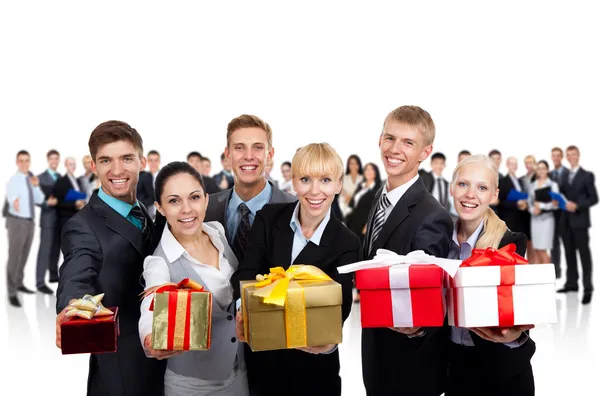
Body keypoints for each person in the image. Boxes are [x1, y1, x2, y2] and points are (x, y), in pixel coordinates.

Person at [231, 143, 361, 396]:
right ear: (293, 181)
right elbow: (247, 270)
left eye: (325, 180)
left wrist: (326, 344)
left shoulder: (347, 242)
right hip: (263, 367)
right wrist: (241, 310)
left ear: (338, 184)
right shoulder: (268, 218)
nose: (315, 191)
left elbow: (341, 305)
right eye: (305, 179)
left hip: (313, 374)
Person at [55, 120, 166, 396]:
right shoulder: (82, 225)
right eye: (106, 160)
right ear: (93, 166)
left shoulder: (146, 210)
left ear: (141, 161)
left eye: (126, 158)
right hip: (122, 370)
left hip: (162, 360)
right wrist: (72, 306)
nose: (117, 170)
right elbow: (77, 270)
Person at [361, 106, 453, 396]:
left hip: (410, 368)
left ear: (425, 152)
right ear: (379, 140)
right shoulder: (380, 196)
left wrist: (418, 327)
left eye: (407, 142)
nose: (394, 149)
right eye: (390, 138)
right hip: (377, 358)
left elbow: (432, 298)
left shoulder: (432, 215)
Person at [139, 162, 248, 395]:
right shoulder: (160, 262)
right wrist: (150, 337)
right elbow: (151, 303)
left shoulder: (216, 231)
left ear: (206, 200)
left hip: (239, 373)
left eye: (194, 197)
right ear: (159, 208)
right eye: (174, 201)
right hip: (192, 386)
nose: (187, 209)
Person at [447, 154, 536, 396]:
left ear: (494, 196)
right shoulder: (438, 242)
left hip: (503, 373)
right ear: (452, 189)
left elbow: (518, 310)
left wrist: (514, 335)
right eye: (463, 184)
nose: (470, 195)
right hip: (454, 371)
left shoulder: (510, 243)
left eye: (482, 187)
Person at [204, 114, 296, 263]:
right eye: (239, 148)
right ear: (228, 154)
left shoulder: (295, 209)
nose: (248, 156)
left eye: (258, 147)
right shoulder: (205, 208)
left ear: (270, 154)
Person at [557, 145, 598, 305]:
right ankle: (571, 283)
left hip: (580, 221)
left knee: (584, 255)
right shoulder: (564, 176)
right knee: (569, 253)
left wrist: (578, 205)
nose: (570, 157)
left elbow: (594, 198)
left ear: (578, 155)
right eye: (568, 155)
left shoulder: (587, 175)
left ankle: (588, 288)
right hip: (565, 221)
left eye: (573, 154)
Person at [5, 150, 46, 307]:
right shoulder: (14, 180)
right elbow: (11, 196)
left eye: (26, 161)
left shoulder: (30, 179)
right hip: (17, 222)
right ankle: (11, 292)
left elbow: (40, 199)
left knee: (24, 255)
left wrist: (36, 186)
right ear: (17, 162)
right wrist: (14, 201)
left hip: (30, 222)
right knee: (14, 256)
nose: (24, 164)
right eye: (21, 161)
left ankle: (19, 283)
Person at [36, 149, 61, 294]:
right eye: (52, 159)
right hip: (47, 219)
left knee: (55, 249)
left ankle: (53, 275)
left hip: (59, 219)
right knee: (44, 251)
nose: (54, 161)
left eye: (56, 159)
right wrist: (46, 202)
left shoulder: (60, 177)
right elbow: (36, 198)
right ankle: (40, 282)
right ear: (48, 160)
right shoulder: (40, 178)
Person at [528, 160, 559, 264]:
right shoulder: (533, 185)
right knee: (536, 248)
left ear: (547, 170)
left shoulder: (553, 185)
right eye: (539, 168)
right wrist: (533, 210)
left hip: (547, 220)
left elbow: (556, 205)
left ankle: (548, 278)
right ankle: (541, 276)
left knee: (542, 249)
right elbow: (530, 203)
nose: (541, 171)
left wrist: (541, 206)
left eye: (543, 168)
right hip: (535, 220)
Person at [498, 157, 530, 252]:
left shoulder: (520, 181)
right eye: (511, 163)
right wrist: (516, 203)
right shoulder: (502, 181)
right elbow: (501, 202)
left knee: (521, 250)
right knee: (510, 249)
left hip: (522, 219)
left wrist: (524, 203)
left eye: (515, 164)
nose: (513, 166)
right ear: (507, 165)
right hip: (510, 220)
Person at [345, 162, 382, 245]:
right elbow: (352, 203)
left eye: (371, 169)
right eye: (366, 169)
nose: (368, 172)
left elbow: (378, 209)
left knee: (359, 249)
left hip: (363, 225)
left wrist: (368, 225)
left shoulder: (378, 190)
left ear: (376, 172)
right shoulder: (360, 186)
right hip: (352, 222)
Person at [53, 156, 86, 232]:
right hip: (66, 219)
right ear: (65, 165)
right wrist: (74, 203)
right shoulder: (61, 181)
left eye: (74, 164)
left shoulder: (78, 181)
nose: (73, 166)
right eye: (70, 164)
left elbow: (80, 196)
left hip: (78, 218)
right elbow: (59, 202)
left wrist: (82, 203)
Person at [550, 147, 567, 277]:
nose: (555, 158)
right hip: (552, 213)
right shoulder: (548, 174)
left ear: (562, 157)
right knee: (554, 243)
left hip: (567, 213)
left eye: (558, 155)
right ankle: (557, 271)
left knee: (567, 242)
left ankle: (570, 271)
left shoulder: (567, 172)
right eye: (553, 156)